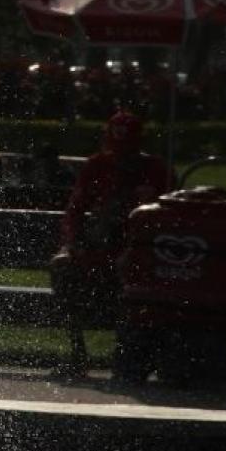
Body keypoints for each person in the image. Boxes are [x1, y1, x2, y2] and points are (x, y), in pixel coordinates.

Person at [50, 109, 171, 379]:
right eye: (117, 147)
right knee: (62, 269)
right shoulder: (97, 165)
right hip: (100, 247)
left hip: (141, 252)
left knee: (133, 282)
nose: (121, 154)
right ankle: (78, 354)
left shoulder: (156, 169)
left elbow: (169, 220)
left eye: (127, 147)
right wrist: (71, 244)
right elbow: (75, 210)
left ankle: (131, 355)